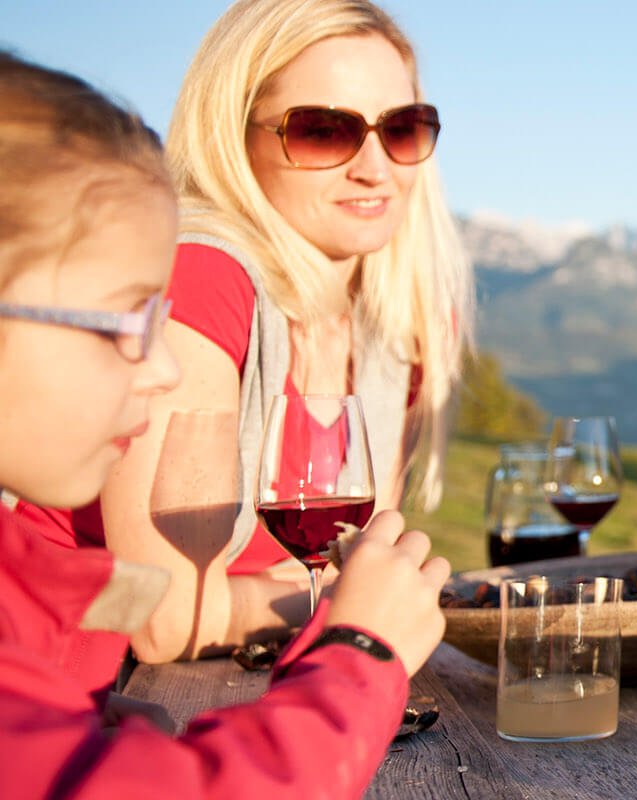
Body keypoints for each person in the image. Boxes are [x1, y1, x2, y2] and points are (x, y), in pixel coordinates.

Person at [0, 49, 449, 798]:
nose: (163, 364)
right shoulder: (213, 278)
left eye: (402, 128)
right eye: (322, 130)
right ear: (237, 140)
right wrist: (357, 651)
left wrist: (85, 733)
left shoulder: (394, 325)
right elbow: (164, 621)